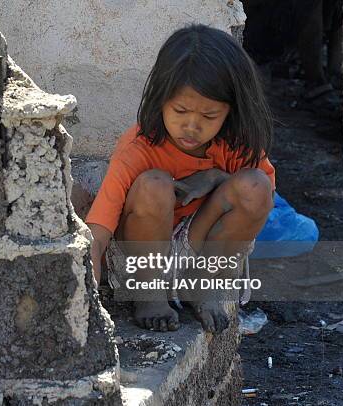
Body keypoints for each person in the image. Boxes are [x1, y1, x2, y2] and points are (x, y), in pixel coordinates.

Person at [85, 25, 276, 334]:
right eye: (181, 110)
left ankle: (203, 286)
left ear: (230, 111)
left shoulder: (237, 144)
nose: (191, 126)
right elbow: (99, 229)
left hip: (199, 253)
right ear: (161, 99)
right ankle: (148, 296)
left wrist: (215, 178)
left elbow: (263, 199)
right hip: (139, 259)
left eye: (209, 116)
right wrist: (86, 302)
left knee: (254, 186)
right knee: (154, 185)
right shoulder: (139, 147)